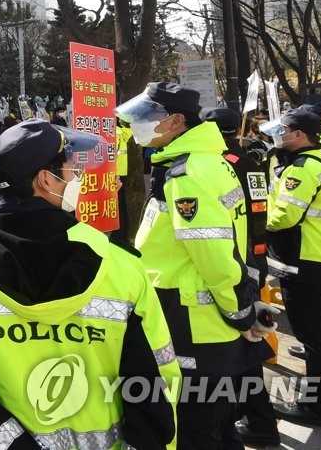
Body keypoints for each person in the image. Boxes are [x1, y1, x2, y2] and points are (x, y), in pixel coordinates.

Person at [0, 119, 180, 448]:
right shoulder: (121, 268)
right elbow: (155, 384)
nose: (76, 178)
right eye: (70, 168)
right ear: (45, 180)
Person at [115, 82, 275, 449]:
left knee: (195, 431)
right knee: (218, 428)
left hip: (194, 324)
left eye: (145, 117)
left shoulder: (188, 174)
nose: (137, 124)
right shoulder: (202, 162)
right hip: (203, 323)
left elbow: (216, 256)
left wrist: (242, 313)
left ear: (174, 122)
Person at [200, 106, 279, 446]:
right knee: (247, 351)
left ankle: (253, 421)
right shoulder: (251, 164)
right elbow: (259, 217)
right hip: (253, 261)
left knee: (240, 353)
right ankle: (255, 419)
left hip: (233, 268)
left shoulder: (219, 166)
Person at [262, 109, 321, 427]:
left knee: (313, 335)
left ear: (299, 134)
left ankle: (317, 407)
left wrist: (256, 219)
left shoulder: (302, 168)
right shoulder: (319, 160)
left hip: (305, 260)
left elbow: (283, 217)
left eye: (282, 130)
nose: (277, 135)